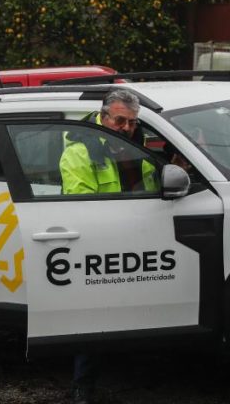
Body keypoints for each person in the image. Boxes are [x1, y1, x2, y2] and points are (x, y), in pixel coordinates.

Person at [59, 88, 155, 404]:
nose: (127, 128)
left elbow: (150, 186)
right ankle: (82, 385)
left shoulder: (135, 144)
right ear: (103, 117)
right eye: (120, 121)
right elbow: (81, 206)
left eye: (132, 122)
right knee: (95, 316)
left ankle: (141, 373)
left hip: (139, 238)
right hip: (98, 243)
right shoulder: (80, 151)